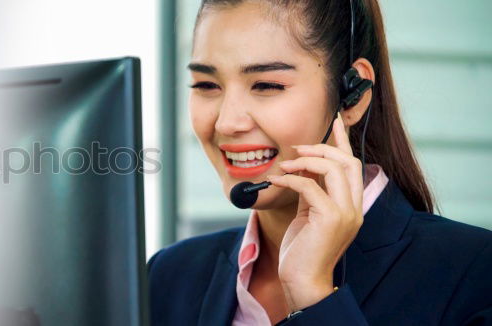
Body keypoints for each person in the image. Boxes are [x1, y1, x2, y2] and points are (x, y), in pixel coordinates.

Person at [147, 0, 492, 325]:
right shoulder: (168, 276)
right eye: (207, 85)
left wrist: (314, 298)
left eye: (266, 84)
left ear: (351, 94)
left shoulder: (476, 273)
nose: (226, 123)